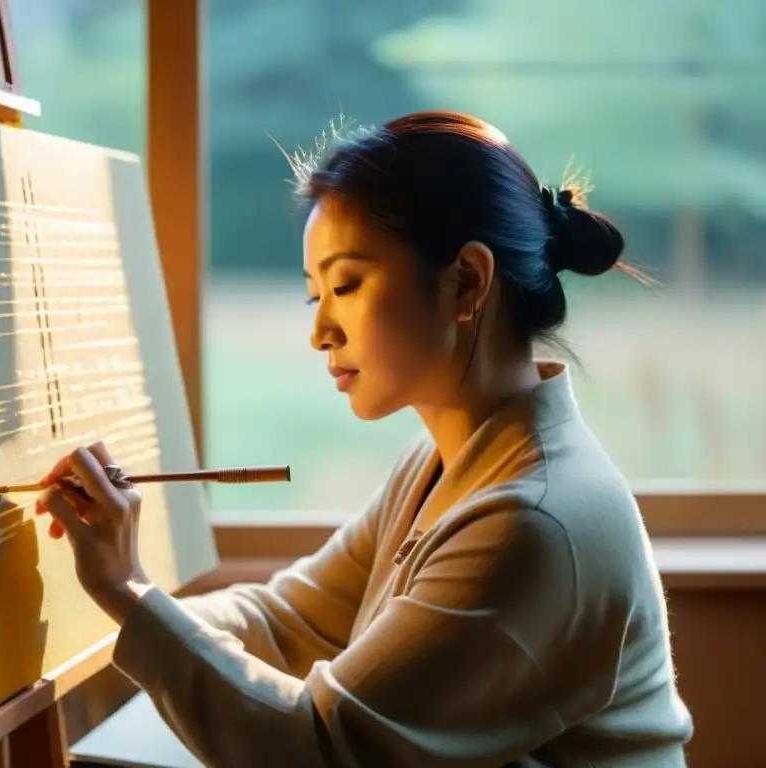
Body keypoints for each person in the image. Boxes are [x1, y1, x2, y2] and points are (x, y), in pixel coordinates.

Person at [34, 111, 694, 767]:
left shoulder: (535, 522)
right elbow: (285, 622)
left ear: (466, 281)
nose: (321, 331)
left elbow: (319, 748)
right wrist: (110, 611)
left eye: (346, 285)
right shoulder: (444, 460)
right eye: (314, 295)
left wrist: (129, 591)